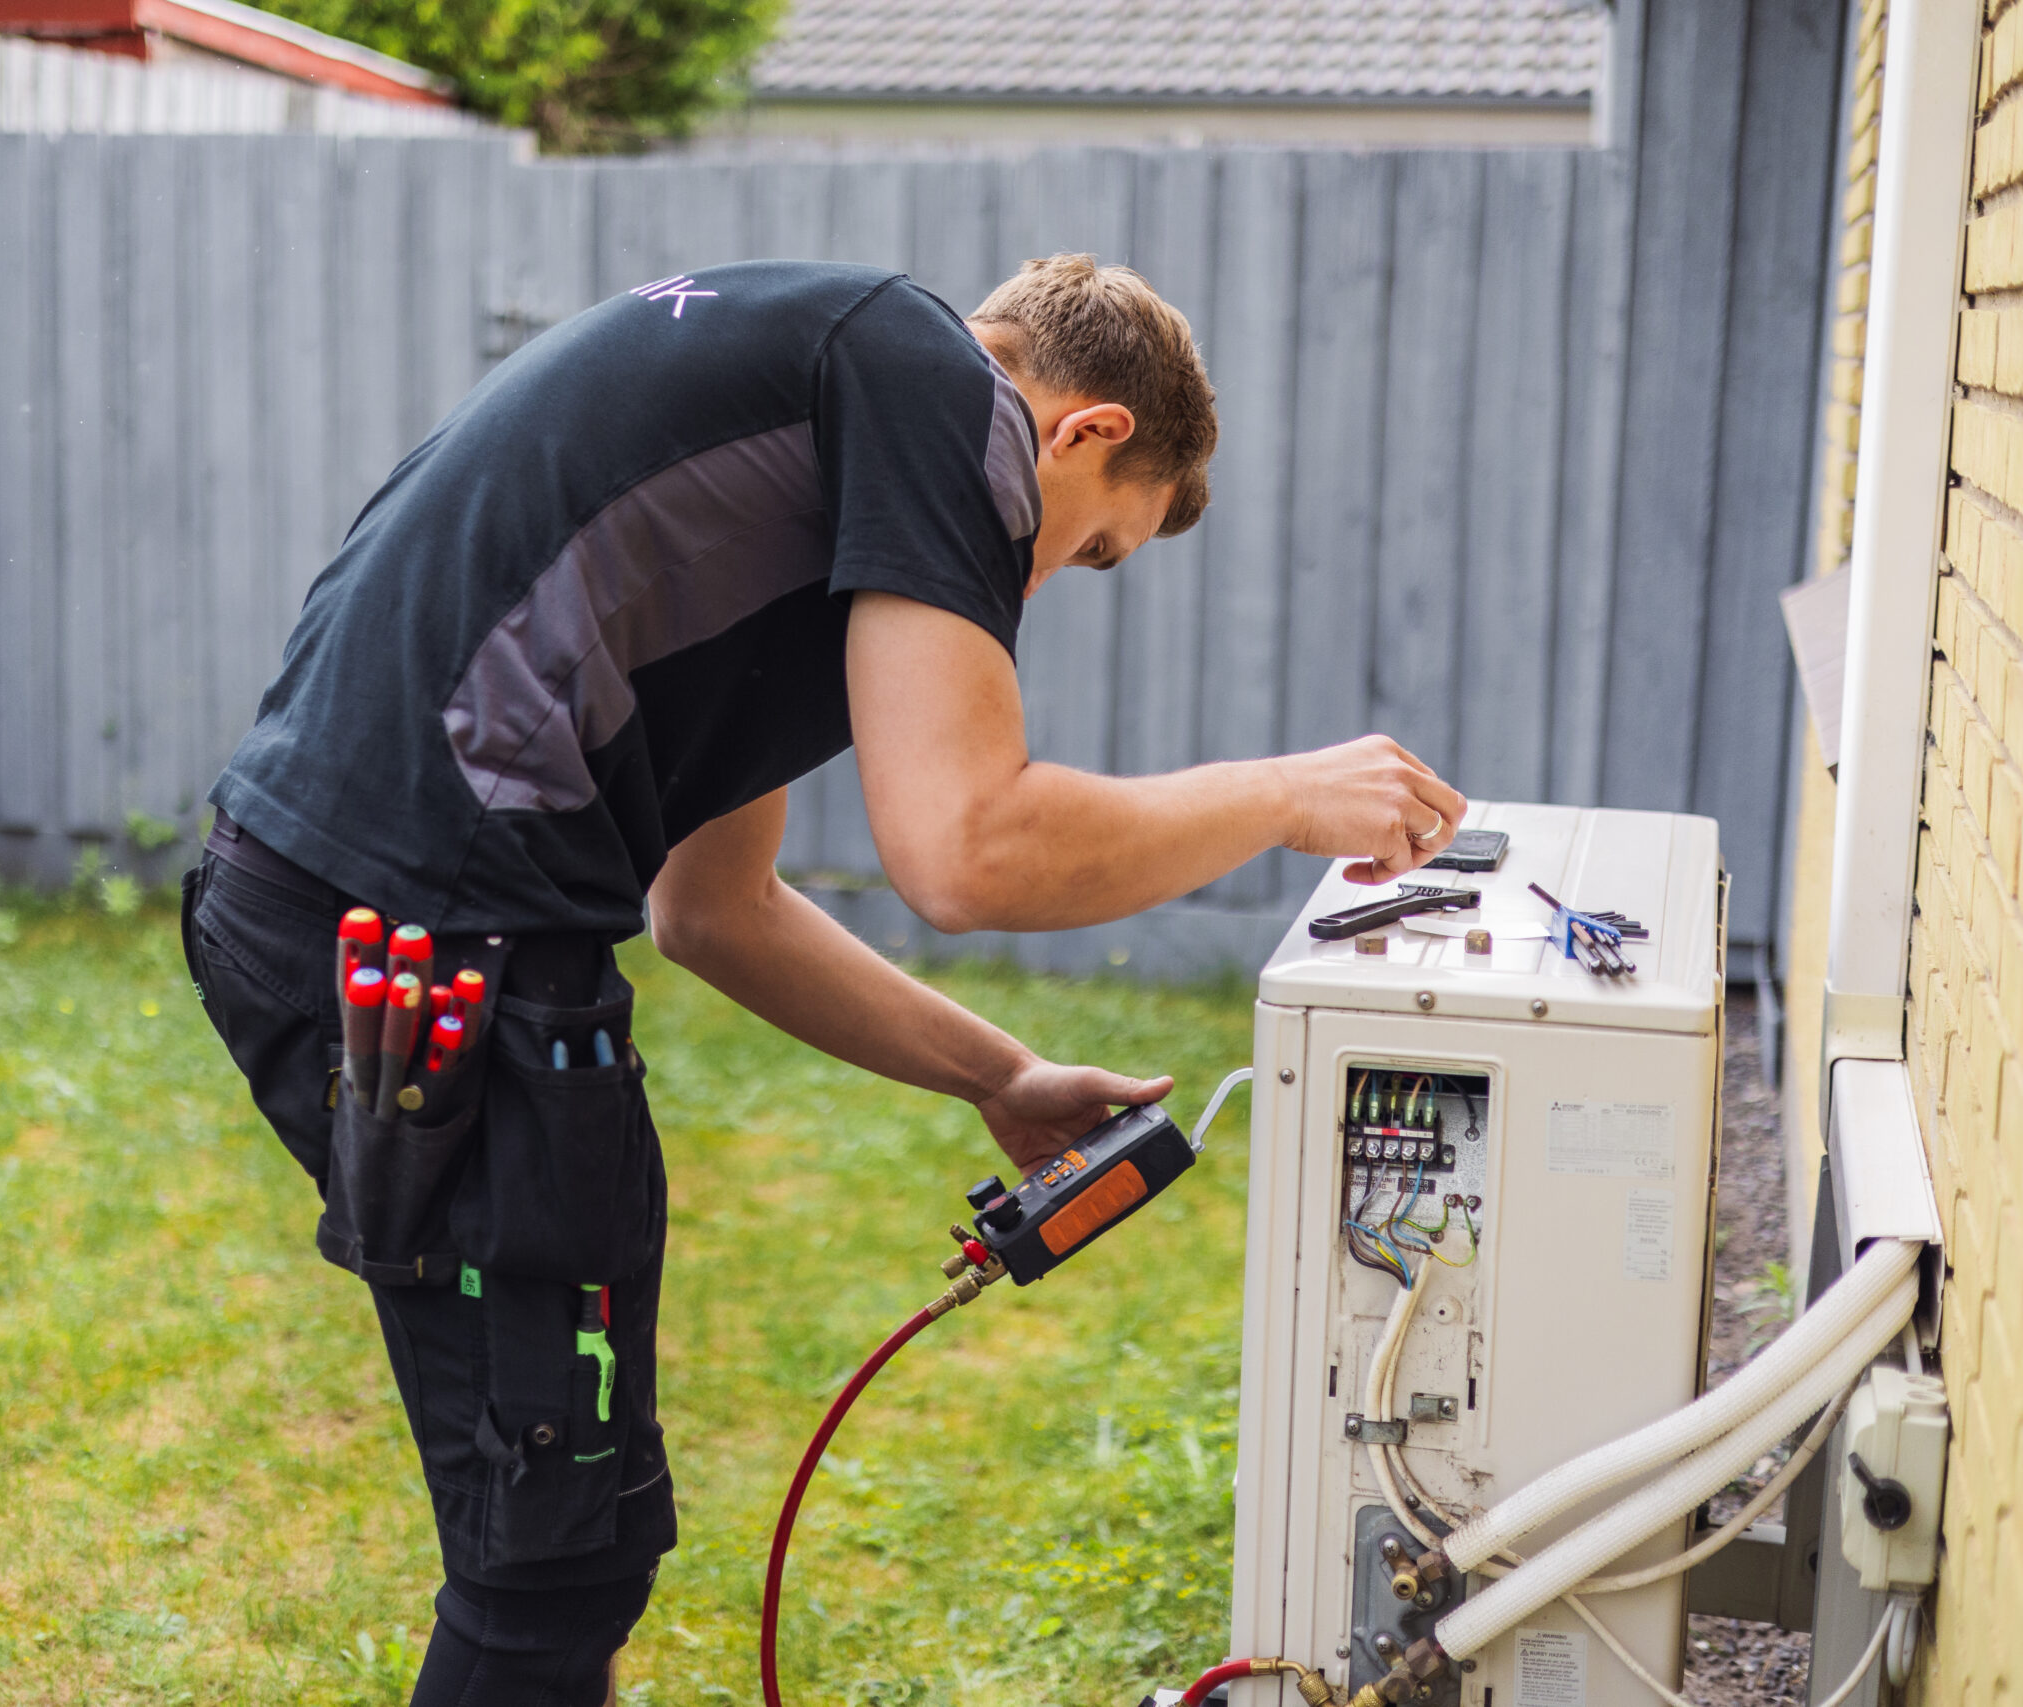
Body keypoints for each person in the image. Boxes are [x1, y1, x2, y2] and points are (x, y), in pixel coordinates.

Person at [181, 253, 1465, 1707]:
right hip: (427, 953)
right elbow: (965, 851)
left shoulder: (798, 448)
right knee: (546, 1564)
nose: (1040, 582)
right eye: (1090, 550)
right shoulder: (933, 389)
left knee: (576, 1537)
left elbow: (717, 909)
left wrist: (999, 1076)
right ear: (1082, 432)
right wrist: (1284, 795)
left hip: (339, 914)